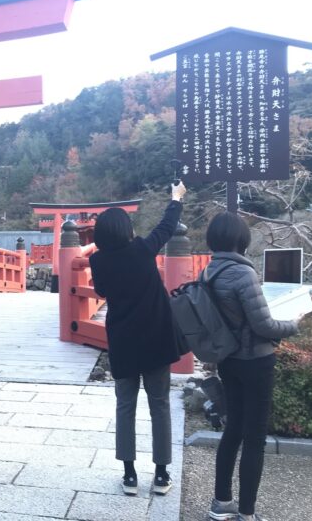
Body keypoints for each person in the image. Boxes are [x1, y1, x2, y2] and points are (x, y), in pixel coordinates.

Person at [89, 180, 186, 496]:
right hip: (156, 340)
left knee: (125, 406)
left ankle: (129, 475)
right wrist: (175, 198)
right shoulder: (143, 249)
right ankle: (160, 475)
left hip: (124, 342)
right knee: (159, 405)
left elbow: (102, 292)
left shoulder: (98, 261)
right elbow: (167, 226)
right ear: (127, 229)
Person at [204, 212, 301, 521]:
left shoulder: (209, 272)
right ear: (241, 240)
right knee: (255, 437)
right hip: (256, 362)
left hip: (228, 360)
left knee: (233, 429)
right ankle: (247, 513)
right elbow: (265, 325)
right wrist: (294, 323)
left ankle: (221, 504)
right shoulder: (243, 274)